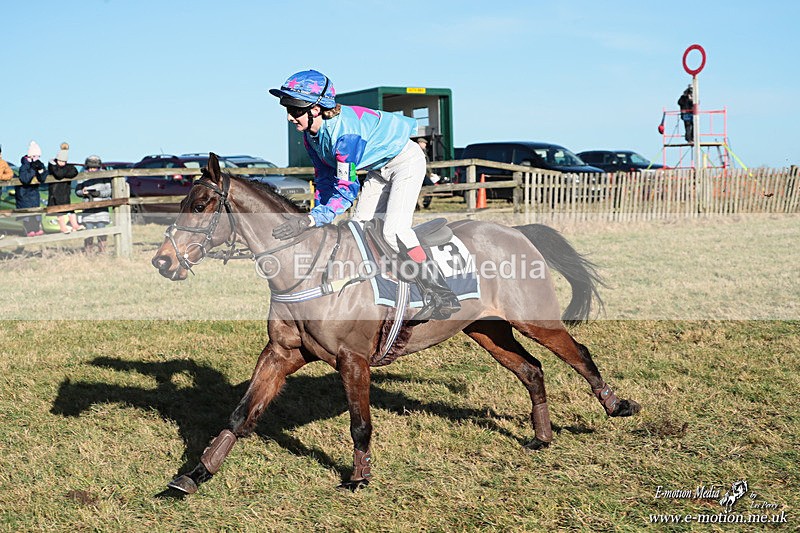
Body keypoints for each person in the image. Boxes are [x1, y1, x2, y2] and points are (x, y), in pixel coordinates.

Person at [269, 69, 460, 321]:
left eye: (294, 110)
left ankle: (442, 293)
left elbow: (346, 190)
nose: (289, 118)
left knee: (394, 232)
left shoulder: (345, 136)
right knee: (357, 229)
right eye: (287, 109)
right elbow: (325, 180)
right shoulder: (310, 136)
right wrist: (315, 216)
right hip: (378, 169)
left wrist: (313, 220)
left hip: (405, 162)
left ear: (315, 109)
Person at [77, 154, 111, 253]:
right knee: (88, 231)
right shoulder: (83, 176)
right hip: (88, 209)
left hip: (101, 208)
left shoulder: (105, 176)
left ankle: (102, 251)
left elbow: (110, 191)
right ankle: (88, 252)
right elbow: (77, 191)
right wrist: (82, 192)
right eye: (90, 167)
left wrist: (99, 193)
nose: (92, 170)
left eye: (94, 168)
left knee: (102, 230)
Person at [47, 142, 84, 233]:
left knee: (70, 209)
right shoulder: (52, 165)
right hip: (55, 193)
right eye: (61, 161)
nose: (62, 163)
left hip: (65, 191)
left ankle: (75, 225)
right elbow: (58, 174)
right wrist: (65, 173)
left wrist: (64, 172)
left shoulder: (68, 167)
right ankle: (63, 228)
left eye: (64, 162)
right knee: (60, 211)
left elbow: (74, 172)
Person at [17, 141, 48, 236]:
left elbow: (42, 178)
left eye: (38, 156)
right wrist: (32, 171)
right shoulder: (24, 166)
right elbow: (25, 179)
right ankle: (29, 231)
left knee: (36, 213)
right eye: (35, 156)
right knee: (27, 215)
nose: (37, 159)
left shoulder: (38, 164)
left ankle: (36, 229)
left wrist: (41, 170)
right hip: (24, 194)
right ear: (30, 156)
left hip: (34, 193)